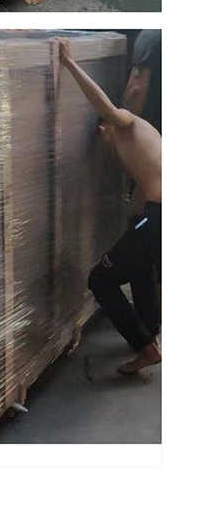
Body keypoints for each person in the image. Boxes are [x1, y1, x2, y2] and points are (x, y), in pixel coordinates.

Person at [57, 36, 162, 375]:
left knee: (100, 279)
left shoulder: (128, 121)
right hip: (157, 214)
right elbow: (141, 190)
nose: (132, 83)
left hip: (160, 215)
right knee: (140, 268)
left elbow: (104, 107)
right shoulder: (147, 135)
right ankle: (151, 331)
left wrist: (69, 64)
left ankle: (145, 348)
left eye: (138, 76)